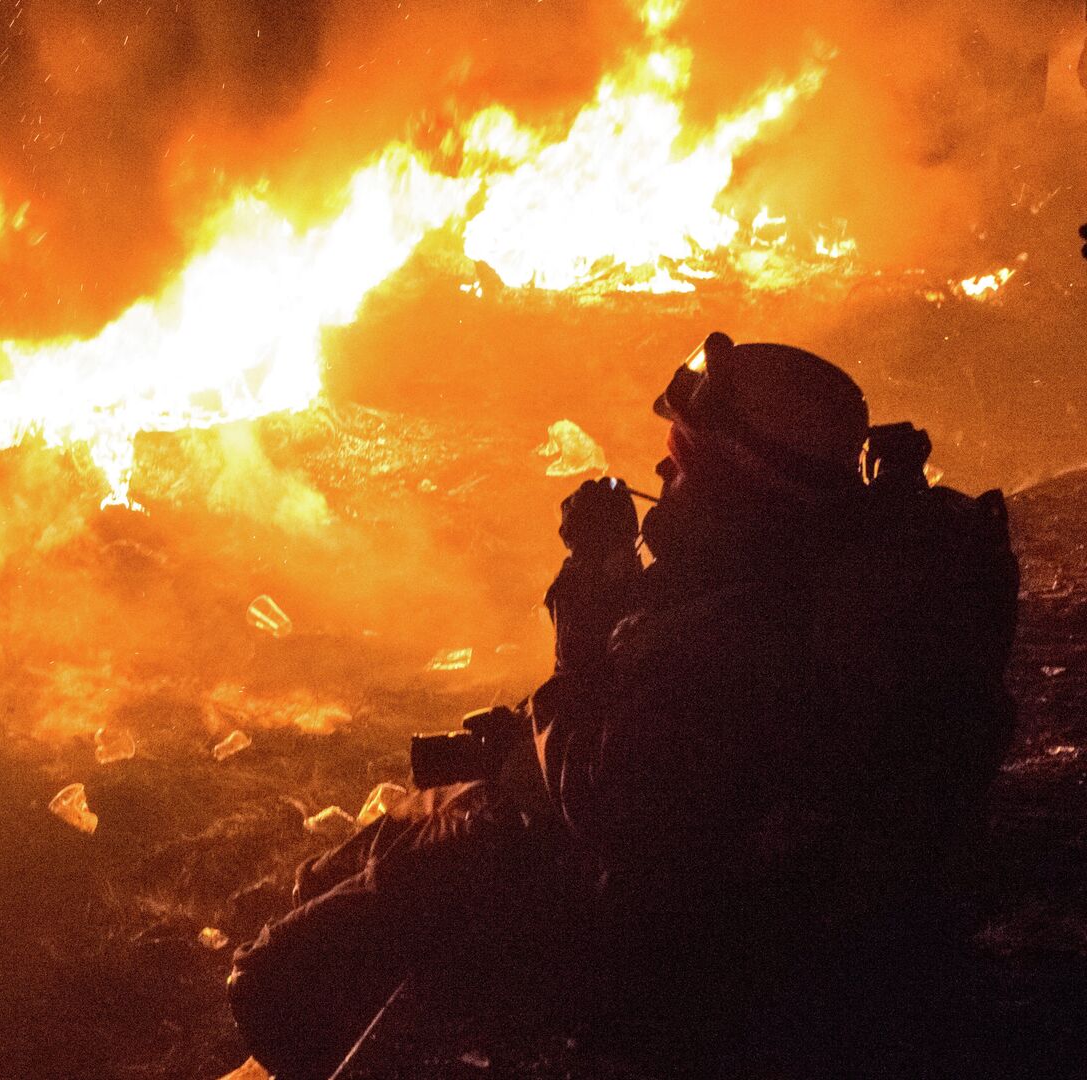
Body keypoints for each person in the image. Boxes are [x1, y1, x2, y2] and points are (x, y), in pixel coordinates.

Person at [227, 333, 1019, 1080]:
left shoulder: (750, 634)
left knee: (270, 983)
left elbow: (607, 797)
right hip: (794, 913)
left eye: (681, 460)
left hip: (686, 961)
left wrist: (590, 599)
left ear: (738, 484)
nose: (661, 474)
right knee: (379, 849)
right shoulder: (825, 572)